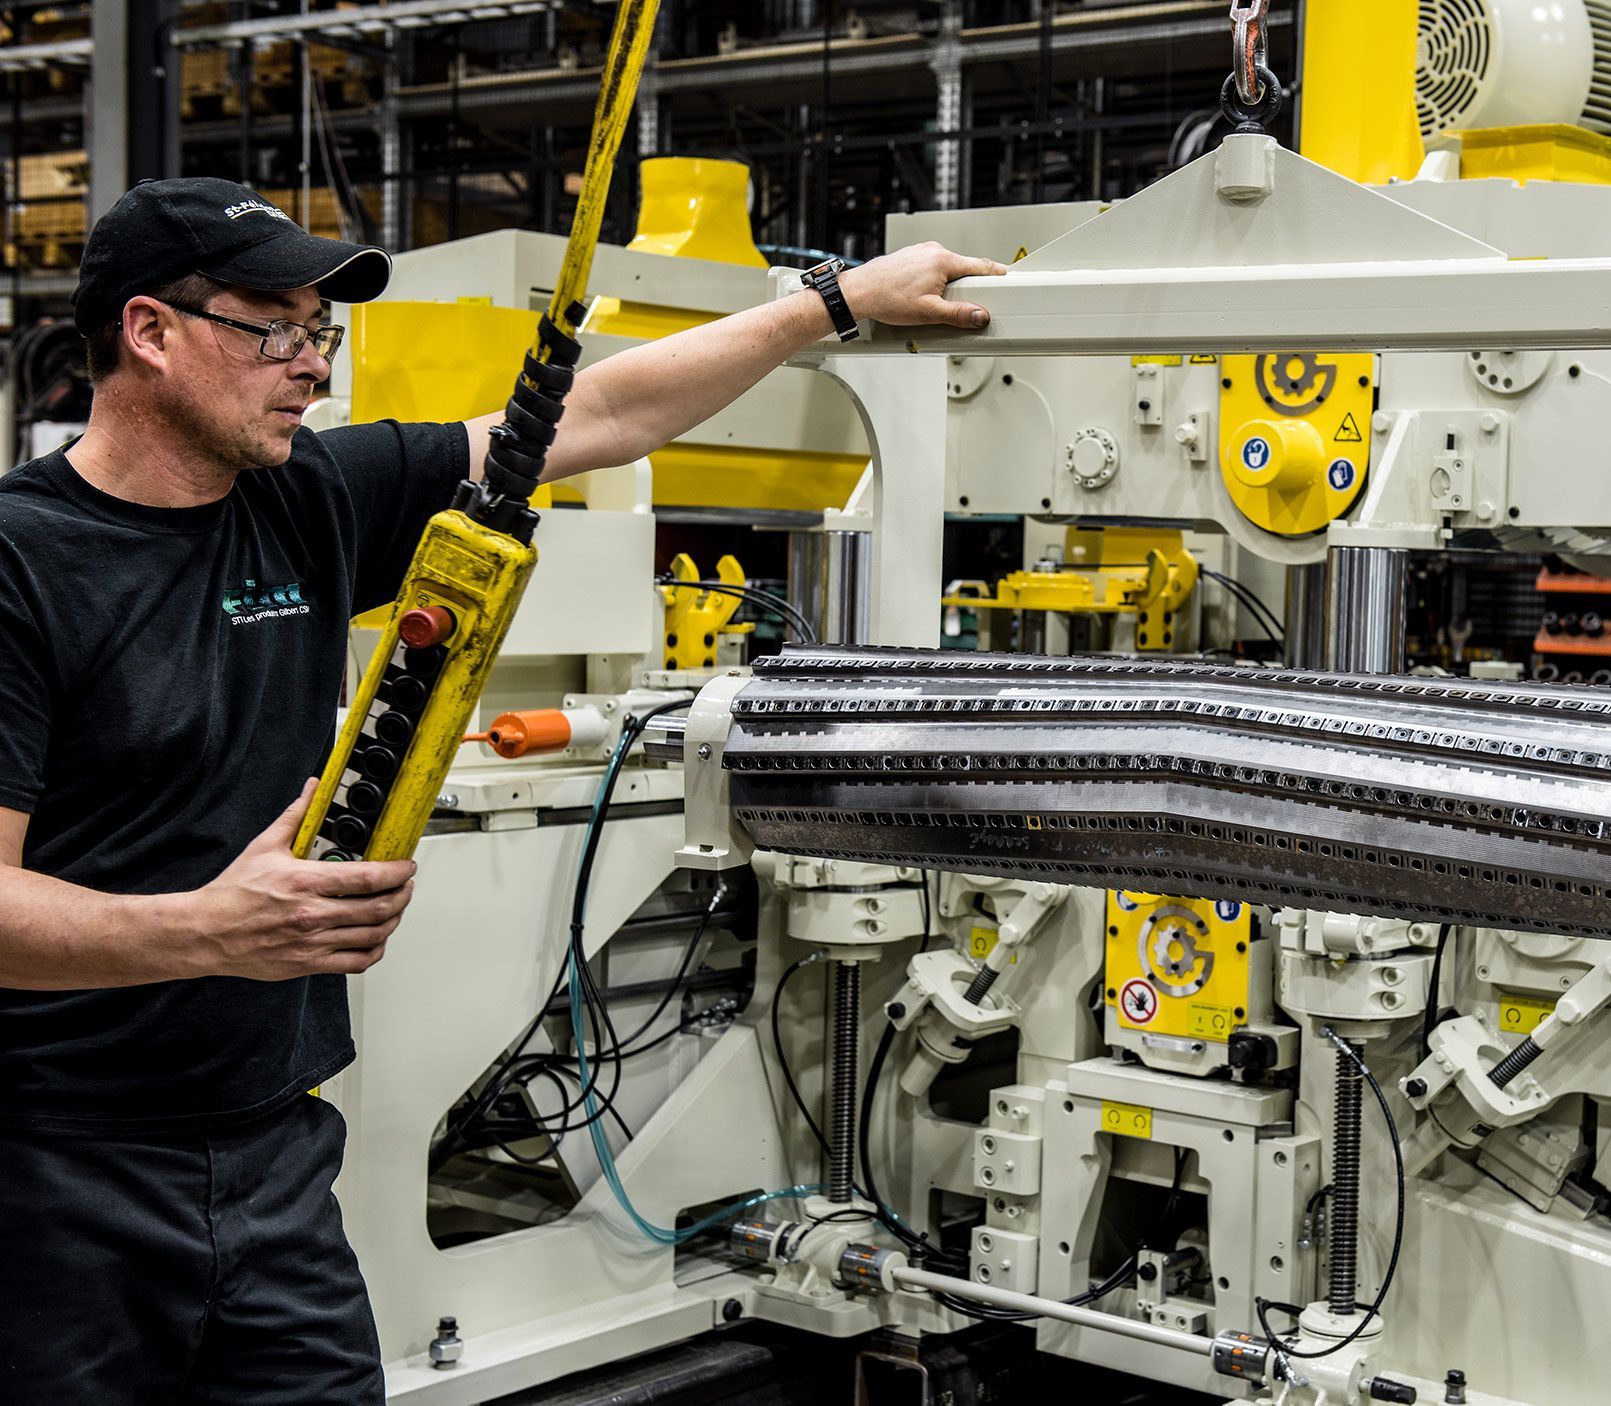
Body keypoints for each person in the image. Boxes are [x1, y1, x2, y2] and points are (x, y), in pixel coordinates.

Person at [0, 176, 1002, 1405]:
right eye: (276, 328)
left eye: (323, 331)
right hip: (59, 1171)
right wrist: (207, 927)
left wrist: (830, 301)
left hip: (273, 1151)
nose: (311, 365)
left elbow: (601, 415)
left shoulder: (305, 499)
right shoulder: (22, 565)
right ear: (149, 332)